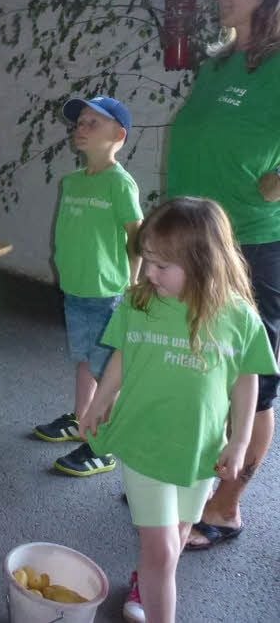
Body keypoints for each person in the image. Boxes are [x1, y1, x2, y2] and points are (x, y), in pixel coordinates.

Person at [80, 197, 277, 623]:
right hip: (144, 437)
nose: (148, 273)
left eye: (161, 265)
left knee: (180, 535)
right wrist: (98, 400)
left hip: (201, 450)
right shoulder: (140, 303)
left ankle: (148, 579)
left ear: (203, 262)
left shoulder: (239, 315)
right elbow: (122, 356)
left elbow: (247, 379)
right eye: (147, 260)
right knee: (164, 549)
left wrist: (240, 440)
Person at [165, 0, 280, 551]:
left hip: (251, 246)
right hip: (194, 238)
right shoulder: (217, 61)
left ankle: (227, 505)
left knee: (250, 376)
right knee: (201, 360)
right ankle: (194, 480)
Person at [33, 96, 143, 476]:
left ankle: (104, 443)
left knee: (105, 368)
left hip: (105, 293)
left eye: (93, 123)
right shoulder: (73, 181)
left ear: (119, 135)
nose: (81, 128)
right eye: (79, 122)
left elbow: (136, 238)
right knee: (83, 358)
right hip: (75, 290)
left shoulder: (119, 184)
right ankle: (82, 420)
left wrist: (133, 284)